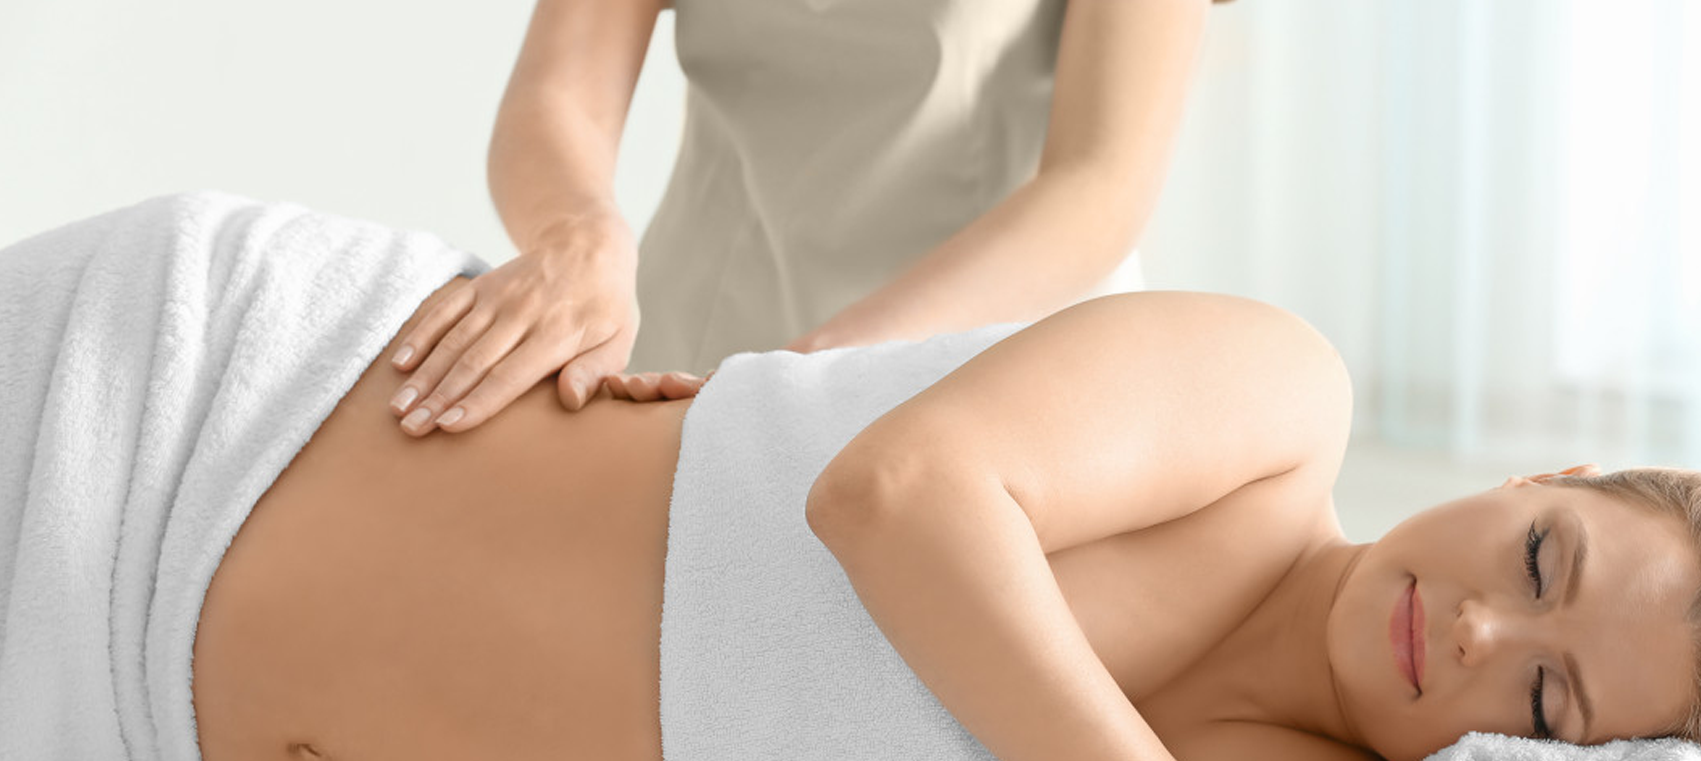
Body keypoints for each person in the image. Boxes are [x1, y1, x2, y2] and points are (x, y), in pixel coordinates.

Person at [0, 197, 1701, 761]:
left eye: (1545, 696)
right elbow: (898, 496)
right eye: (1541, 557)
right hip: (194, 414)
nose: (1478, 631)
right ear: (1540, 478)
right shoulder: (1269, 409)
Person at [383, 0, 1212, 439]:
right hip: (699, 354)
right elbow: (559, 94)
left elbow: (1099, 183)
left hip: (998, 354)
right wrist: (577, 238)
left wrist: (820, 366)